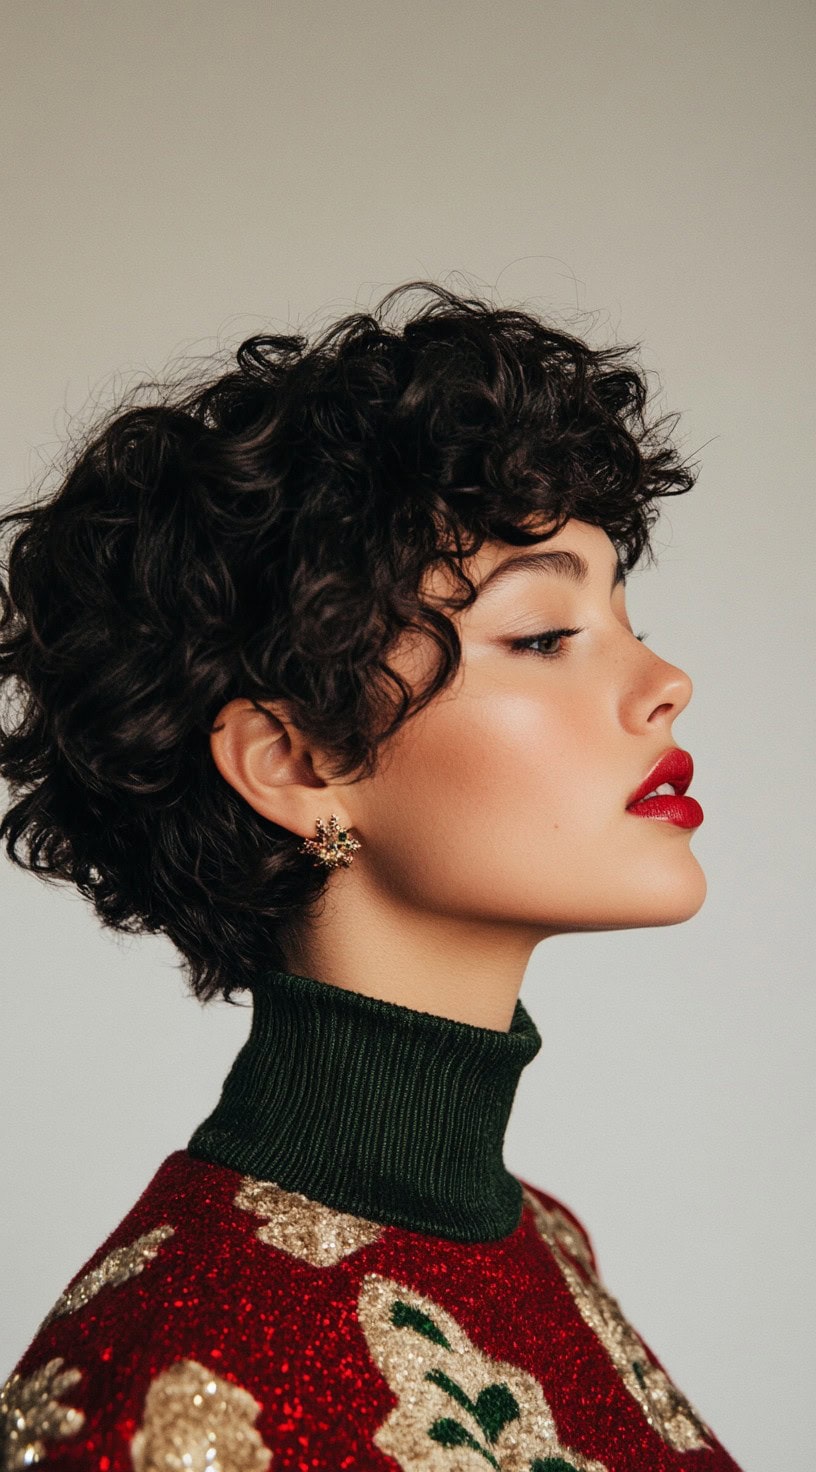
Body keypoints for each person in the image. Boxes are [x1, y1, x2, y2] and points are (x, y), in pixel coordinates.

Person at [0, 282, 742, 1470]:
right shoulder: (165, 1390)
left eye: (626, 612)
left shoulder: (544, 1239)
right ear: (294, 763)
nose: (665, 680)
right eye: (547, 634)